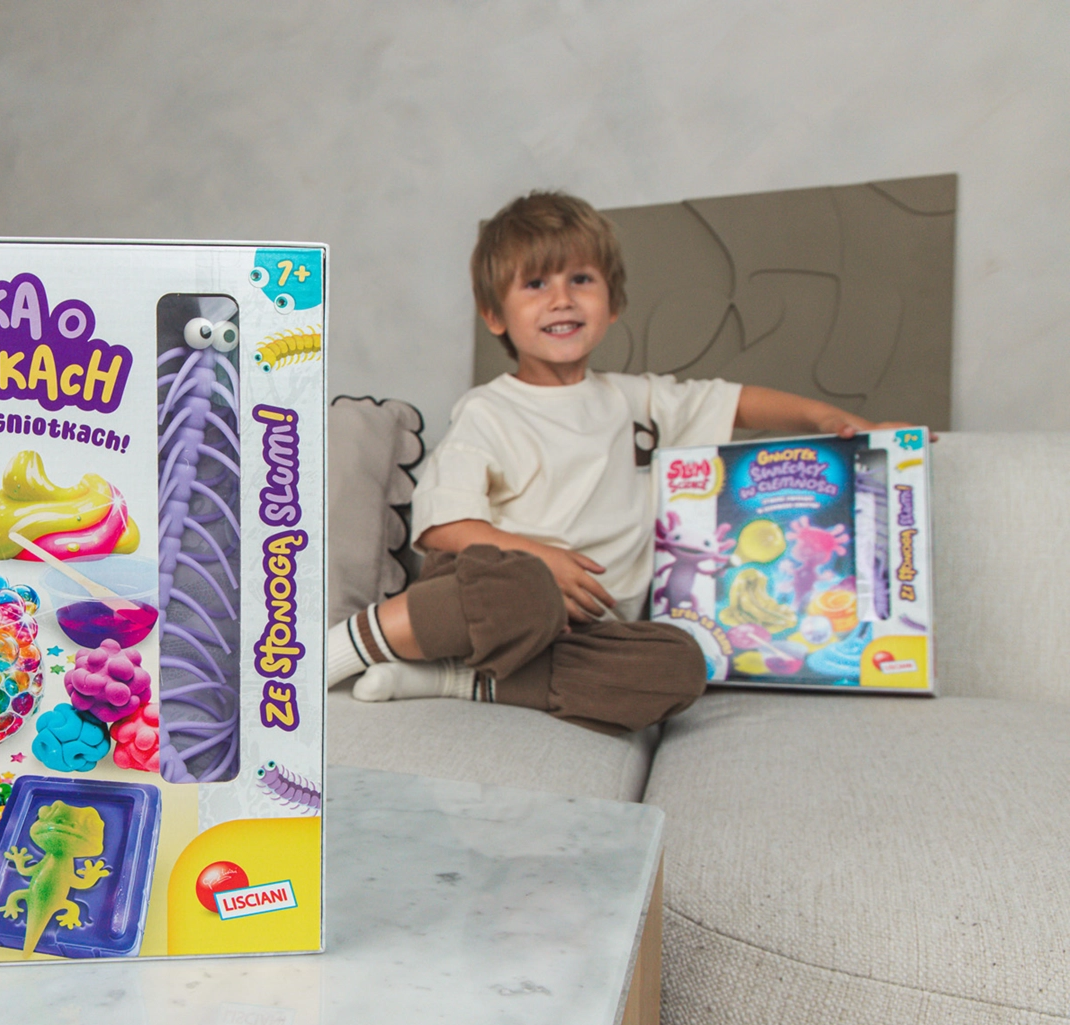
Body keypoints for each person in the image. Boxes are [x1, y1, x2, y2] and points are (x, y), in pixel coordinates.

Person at [325, 190, 907, 731]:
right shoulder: (489, 410)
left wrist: (828, 419)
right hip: (496, 595)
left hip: (584, 631)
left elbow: (735, 402)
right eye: (535, 284)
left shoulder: (637, 401)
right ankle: (337, 650)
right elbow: (443, 527)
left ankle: (458, 681)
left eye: (581, 279)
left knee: (682, 663)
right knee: (522, 590)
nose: (561, 299)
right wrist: (541, 561)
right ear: (495, 315)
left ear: (613, 304)